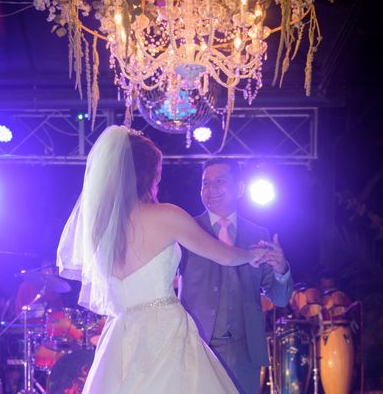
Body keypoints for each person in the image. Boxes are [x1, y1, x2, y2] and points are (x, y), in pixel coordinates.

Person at [56, 125, 269, 393]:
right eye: (158, 172)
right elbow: (224, 256)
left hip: (119, 334)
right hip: (164, 330)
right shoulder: (166, 216)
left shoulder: (99, 229)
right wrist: (253, 254)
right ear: (148, 174)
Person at [178, 158, 294, 394]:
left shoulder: (258, 234)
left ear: (239, 188)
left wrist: (281, 269)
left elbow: (279, 299)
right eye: (205, 183)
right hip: (198, 345)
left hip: (244, 351)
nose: (210, 190)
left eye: (219, 181)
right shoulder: (186, 229)